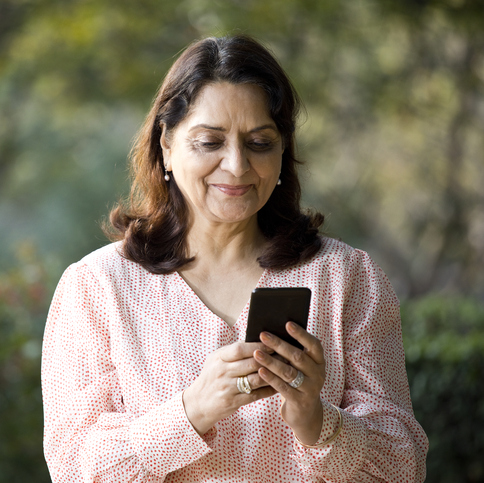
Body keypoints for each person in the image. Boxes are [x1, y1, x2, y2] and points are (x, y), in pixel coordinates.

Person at [41, 34, 428, 483]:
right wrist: (192, 410)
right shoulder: (97, 287)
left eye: (259, 143)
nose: (237, 165)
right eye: (210, 142)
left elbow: (405, 467)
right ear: (166, 144)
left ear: (283, 151)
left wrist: (317, 421)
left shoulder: (347, 279)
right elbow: (74, 469)